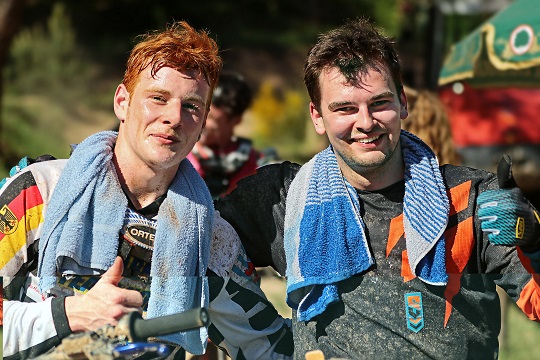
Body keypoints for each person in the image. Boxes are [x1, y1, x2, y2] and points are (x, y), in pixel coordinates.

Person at [215, 17, 540, 359]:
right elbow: (190, 247)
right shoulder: (283, 198)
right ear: (317, 116)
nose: (366, 122)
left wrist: (533, 240)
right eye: (345, 108)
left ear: (403, 103)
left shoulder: (467, 197)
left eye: (379, 103)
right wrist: (268, 345)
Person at [0, 21, 292, 360]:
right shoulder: (40, 192)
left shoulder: (210, 237)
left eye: (192, 106)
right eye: (158, 98)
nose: (173, 117)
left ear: (202, 123)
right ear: (122, 102)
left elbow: (266, 347)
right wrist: (68, 316)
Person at [187, 71, 277, 199]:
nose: (202, 123)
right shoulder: (181, 154)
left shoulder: (252, 165)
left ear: (236, 120)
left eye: (212, 118)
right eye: (200, 112)